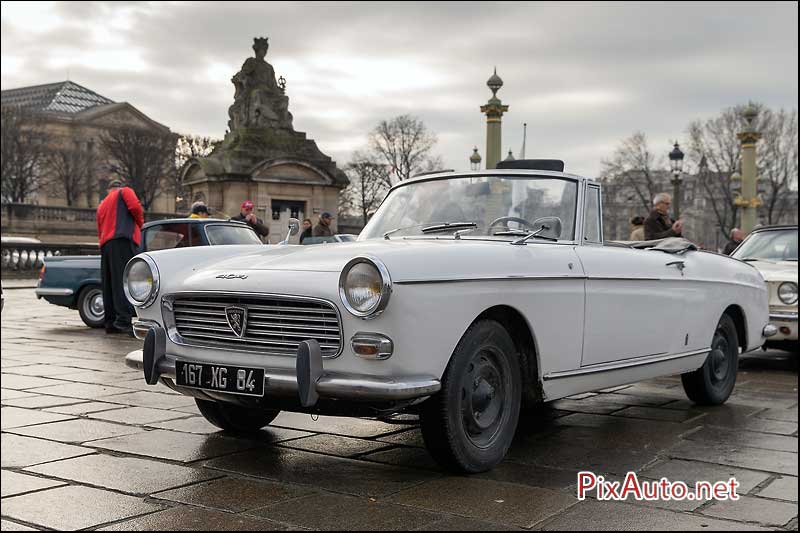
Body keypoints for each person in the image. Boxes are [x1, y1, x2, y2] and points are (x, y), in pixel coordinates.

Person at [96, 179, 144, 335]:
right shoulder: (125, 191)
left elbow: (99, 226)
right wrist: (140, 223)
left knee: (109, 284)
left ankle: (110, 322)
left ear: (108, 189)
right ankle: (123, 321)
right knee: (123, 281)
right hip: (122, 240)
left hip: (106, 244)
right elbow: (135, 207)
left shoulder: (102, 204)